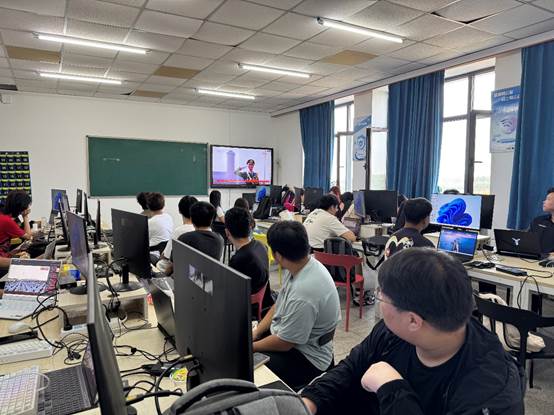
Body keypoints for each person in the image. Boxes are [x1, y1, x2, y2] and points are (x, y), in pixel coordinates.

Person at [301, 248, 524, 415]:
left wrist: (392, 389)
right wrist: (309, 401)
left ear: (413, 320)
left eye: (381, 297)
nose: (378, 301)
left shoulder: (491, 393)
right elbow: (351, 368)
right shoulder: (393, 332)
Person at [253, 221, 340, 391]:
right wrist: (256, 332)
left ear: (277, 255)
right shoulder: (302, 266)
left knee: (250, 368)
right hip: (294, 340)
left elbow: (285, 343)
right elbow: (279, 304)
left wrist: (252, 346)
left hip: (309, 358)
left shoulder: (304, 292)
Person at [225, 207, 273, 312]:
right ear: (250, 226)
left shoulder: (239, 260)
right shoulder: (261, 246)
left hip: (247, 309)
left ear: (227, 232)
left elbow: (231, 293)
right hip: (265, 301)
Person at [161, 195, 197, 274]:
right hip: (194, 271)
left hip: (176, 270)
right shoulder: (200, 230)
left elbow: (166, 256)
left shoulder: (179, 231)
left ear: (179, 211)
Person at [0, 190, 33, 257]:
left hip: (5, 254)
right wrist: (25, 216)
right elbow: (28, 237)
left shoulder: (3, 216)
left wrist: (13, 253)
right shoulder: (7, 221)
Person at [530, 187, 554, 253]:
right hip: (534, 257)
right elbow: (526, 242)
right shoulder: (537, 221)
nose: (544, 202)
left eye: (548, 199)